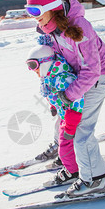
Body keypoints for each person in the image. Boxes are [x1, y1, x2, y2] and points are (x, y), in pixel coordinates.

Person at [25, 0, 105, 198]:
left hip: (99, 76)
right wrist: (56, 95)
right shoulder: (49, 30)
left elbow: (92, 70)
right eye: (30, 12)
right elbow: (58, 64)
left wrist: (70, 95)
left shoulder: (79, 26)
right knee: (64, 119)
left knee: (81, 131)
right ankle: (72, 163)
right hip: (78, 76)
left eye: (37, 11)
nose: (35, 18)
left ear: (52, 7)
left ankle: (95, 180)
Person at [26, 37, 84, 185]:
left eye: (34, 65)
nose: (33, 70)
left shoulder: (63, 79)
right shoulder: (49, 77)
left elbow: (78, 101)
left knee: (65, 144)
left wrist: (71, 123)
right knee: (60, 137)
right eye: (29, 66)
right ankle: (66, 158)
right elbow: (51, 94)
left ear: (46, 61)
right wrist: (53, 106)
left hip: (73, 119)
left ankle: (72, 172)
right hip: (64, 116)